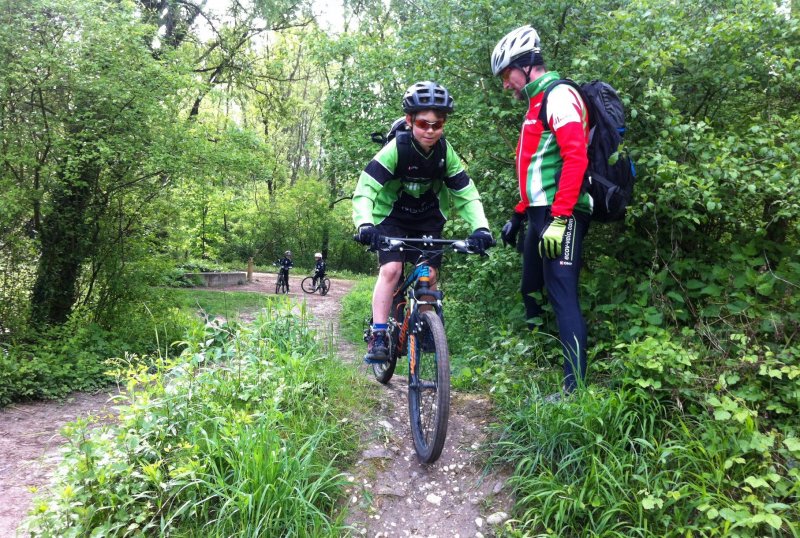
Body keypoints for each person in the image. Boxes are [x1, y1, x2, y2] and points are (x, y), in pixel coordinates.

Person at [353, 81, 495, 363]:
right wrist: (364, 224)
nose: (430, 130)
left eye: (437, 124)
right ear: (410, 121)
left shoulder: (445, 153)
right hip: (391, 216)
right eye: (423, 123)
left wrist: (481, 228)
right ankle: (379, 333)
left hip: (428, 218)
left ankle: (427, 325)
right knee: (392, 269)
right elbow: (365, 189)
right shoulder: (396, 149)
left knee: (427, 275)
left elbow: (466, 194)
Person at [491, 25, 591, 394]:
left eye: (506, 75)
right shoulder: (536, 103)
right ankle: (535, 356)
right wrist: (519, 214)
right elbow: (536, 168)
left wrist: (561, 217)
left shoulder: (559, 95)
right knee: (530, 286)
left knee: (562, 293)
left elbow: (575, 157)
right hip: (540, 213)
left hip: (561, 212)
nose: (505, 85)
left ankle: (573, 390)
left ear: (527, 64)